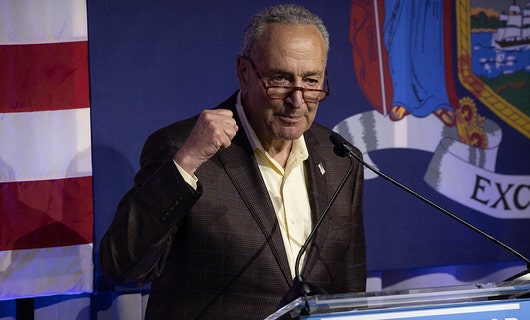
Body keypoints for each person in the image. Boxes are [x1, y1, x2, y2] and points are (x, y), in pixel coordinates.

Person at [99, 4, 367, 319]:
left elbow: (349, 290)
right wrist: (186, 162)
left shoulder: (341, 159)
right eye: (280, 79)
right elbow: (122, 267)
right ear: (243, 72)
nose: (297, 101)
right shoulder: (184, 148)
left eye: (311, 81)